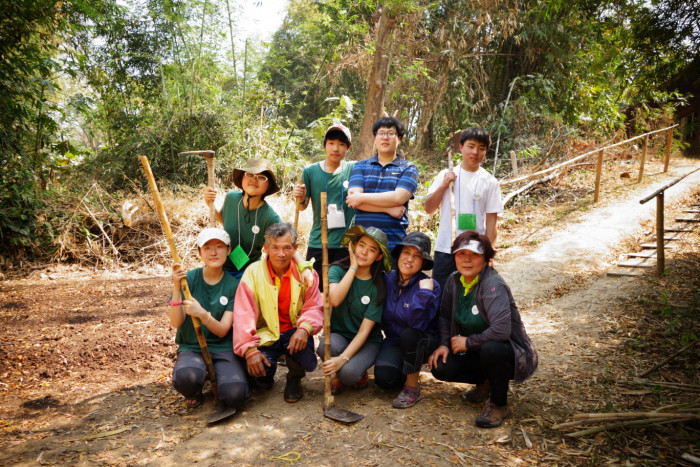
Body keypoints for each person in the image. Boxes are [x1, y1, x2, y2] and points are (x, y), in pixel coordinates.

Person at [428, 231, 537, 428]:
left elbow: (501, 331)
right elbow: (444, 315)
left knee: (492, 349)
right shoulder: (454, 280)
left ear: (486, 259)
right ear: (454, 257)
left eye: (475, 255)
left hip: (508, 353)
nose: (467, 260)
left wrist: (467, 342)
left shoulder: (492, 284)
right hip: (476, 351)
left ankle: (499, 403)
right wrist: (444, 344)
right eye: (461, 254)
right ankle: (487, 381)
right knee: (440, 366)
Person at [232, 223, 323, 403]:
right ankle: (267, 373)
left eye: (286, 248)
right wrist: (249, 349)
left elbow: (314, 306)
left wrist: (304, 329)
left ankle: (294, 377)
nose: (281, 254)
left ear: (295, 248)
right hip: (266, 333)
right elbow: (243, 315)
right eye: (275, 248)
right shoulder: (252, 273)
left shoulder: (306, 274)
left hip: (293, 332)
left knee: (305, 358)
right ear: (266, 248)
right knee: (259, 374)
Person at [169, 227, 249, 411]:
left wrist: (202, 314)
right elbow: (176, 323)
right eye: (207, 248)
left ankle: (223, 378)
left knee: (235, 393)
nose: (213, 252)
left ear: (229, 250)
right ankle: (195, 389)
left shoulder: (233, 285)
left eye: (219, 246)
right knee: (186, 378)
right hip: (192, 347)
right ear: (199, 252)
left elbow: (222, 330)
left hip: (222, 347)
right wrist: (176, 287)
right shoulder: (187, 279)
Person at [204, 158, 313, 285]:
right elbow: (225, 220)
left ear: (268, 186)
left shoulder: (270, 217)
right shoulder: (231, 198)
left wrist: (304, 268)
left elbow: (288, 244)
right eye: (249, 174)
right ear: (242, 178)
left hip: (249, 272)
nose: (254, 180)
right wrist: (210, 204)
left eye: (261, 177)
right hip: (220, 266)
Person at [424, 128, 503, 291]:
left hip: (475, 251)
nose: (475, 152)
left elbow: (491, 221)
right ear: (461, 147)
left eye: (481, 148)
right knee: (442, 300)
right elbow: (429, 208)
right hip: (446, 250)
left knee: (472, 301)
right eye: (471, 146)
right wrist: (444, 185)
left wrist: (489, 253)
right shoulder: (446, 174)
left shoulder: (490, 182)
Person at [318, 225, 391, 394]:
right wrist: (353, 268)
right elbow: (334, 300)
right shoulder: (336, 270)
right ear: (354, 245)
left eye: (371, 250)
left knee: (349, 374)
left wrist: (342, 360)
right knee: (324, 347)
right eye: (361, 245)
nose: (364, 252)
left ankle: (354, 369)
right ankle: (337, 373)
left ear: (379, 256)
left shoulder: (378, 287)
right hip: (340, 336)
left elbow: (364, 332)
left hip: (367, 342)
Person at [374, 232, 441, 408]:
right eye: (406, 253)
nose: (409, 259)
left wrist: (424, 294)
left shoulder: (429, 285)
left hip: (422, 340)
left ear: (423, 262)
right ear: (399, 255)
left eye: (416, 256)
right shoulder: (387, 279)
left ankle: (412, 387)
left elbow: (416, 324)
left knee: (409, 334)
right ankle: (406, 370)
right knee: (384, 380)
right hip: (394, 341)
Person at [292, 123, 358, 289]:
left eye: (342, 144)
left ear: (348, 148)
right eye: (331, 143)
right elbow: (302, 206)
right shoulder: (310, 171)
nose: (336, 148)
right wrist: (299, 197)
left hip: (345, 243)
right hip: (318, 242)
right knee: (315, 288)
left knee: (339, 290)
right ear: (325, 145)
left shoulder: (354, 169)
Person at [346, 116, 419, 251]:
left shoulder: (408, 168)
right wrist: (387, 208)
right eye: (381, 133)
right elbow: (353, 201)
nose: (385, 137)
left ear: (399, 139)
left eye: (391, 134)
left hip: (393, 243)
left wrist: (361, 197)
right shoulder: (361, 166)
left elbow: (398, 198)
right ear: (375, 138)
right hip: (363, 243)